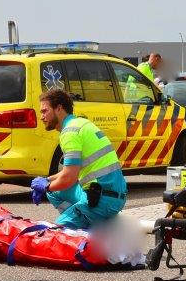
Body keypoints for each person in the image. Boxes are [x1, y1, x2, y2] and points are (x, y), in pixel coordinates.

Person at [29, 88, 127, 229]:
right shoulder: (81, 123)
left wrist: (45, 186)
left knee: (57, 233)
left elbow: (69, 177)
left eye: (45, 111)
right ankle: (82, 219)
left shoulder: (69, 133)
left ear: (59, 109)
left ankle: (84, 225)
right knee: (54, 192)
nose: (41, 117)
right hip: (110, 194)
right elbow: (69, 172)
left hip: (102, 200)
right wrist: (47, 180)